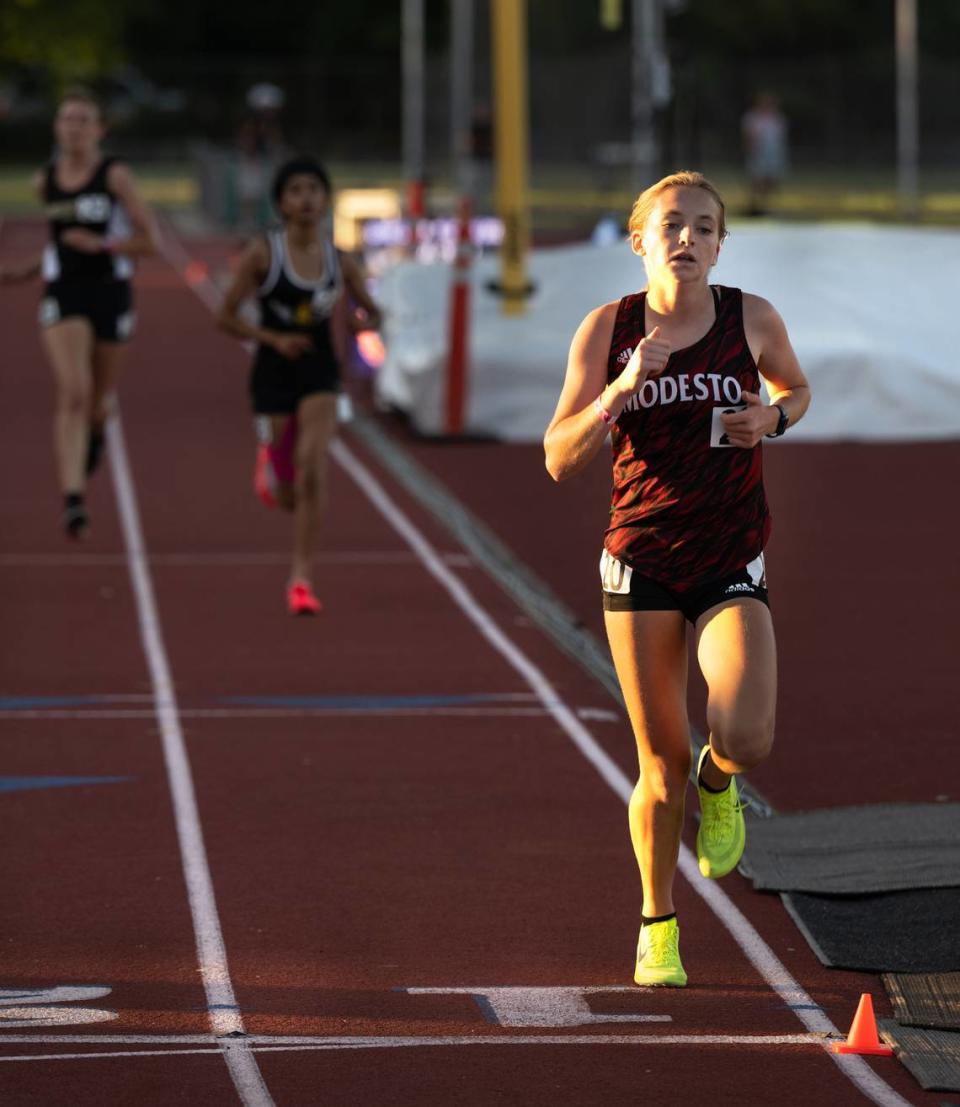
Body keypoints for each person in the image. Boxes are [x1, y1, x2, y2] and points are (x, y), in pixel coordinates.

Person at [544, 171, 810, 987]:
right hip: (643, 560)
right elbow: (558, 456)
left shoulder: (750, 317)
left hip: (729, 552)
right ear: (640, 240)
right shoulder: (608, 329)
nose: (687, 239)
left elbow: (795, 390)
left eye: (704, 226)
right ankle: (657, 922)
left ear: (720, 242)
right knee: (657, 763)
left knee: (746, 733)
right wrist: (620, 392)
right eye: (671, 225)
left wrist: (773, 416)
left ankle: (720, 780)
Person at [217, 156, 382, 616]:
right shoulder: (263, 254)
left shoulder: (341, 261)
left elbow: (374, 313)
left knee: (314, 467)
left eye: (314, 189)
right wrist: (272, 338)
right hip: (271, 371)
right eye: (296, 191)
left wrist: (357, 320)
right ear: (281, 203)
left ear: (325, 200)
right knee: (286, 491)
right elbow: (225, 317)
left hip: (319, 372)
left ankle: (301, 578)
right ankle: (270, 457)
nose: (306, 198)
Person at [0, 87, 160, 538]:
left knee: (97, 401)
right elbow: (59, 240)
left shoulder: (115, 177)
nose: (73, 127)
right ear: (56, 127)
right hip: (63, 292)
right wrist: (25, 270)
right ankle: (73, 500)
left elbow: (150, 242)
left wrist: (104, 244)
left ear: (99, 129)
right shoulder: (43, 180)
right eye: (66, 119)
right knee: (72, 389)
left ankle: (93, 434)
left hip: (110, 291)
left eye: (82, 120)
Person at [741, 92, 788, 217]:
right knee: (757, 179)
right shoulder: (752, 117)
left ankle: (767, 205)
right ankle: (755, 206)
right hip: (758, 152)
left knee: (771, 180)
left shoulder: (777, 118)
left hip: (773, 153)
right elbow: (748, 136)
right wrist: (751, 149)